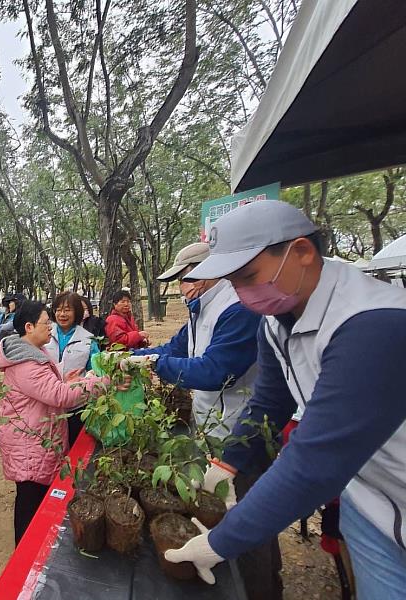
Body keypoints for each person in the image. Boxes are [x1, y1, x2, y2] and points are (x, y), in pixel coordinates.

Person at [164, 200, 406, 600]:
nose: (241, 294)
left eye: (248, 276)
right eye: (233, 281)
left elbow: (315, 461)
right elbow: (269, 402)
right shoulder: (277, 323)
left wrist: (221, 541)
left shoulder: (373, 325)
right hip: (370, 504)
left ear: (302, 252)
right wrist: (228, 462)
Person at [0, 301, 122, 545]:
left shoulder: (32, 351)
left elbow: (49, 388)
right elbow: (59, 395)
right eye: (46, 322)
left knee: (34, 497)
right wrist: (104, 382)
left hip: (35, 436)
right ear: (29, 327)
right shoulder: (27, 363)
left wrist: (64, 379)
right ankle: (25, 553)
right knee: (29, 500)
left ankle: (32, 546)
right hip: (30, 443)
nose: (51, 327)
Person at [134, 242, 261, 437]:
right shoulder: (202, 307)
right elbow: (175, 349)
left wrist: (154, 363)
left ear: (202, 274)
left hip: (236, 431)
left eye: (181, 279)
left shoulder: (237, 309)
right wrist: (129, 356)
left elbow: (215, 372)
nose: (181, 286)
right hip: (209, 424)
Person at [45, 291, 100, 444]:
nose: (62, 314)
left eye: (67, 310)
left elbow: (95, 369)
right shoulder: (44, 334)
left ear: (77, 312)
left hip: (76, 403)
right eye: (59, 310)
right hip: (48, 402)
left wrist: (86, 380)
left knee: (74, 443)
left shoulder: (88, 339)